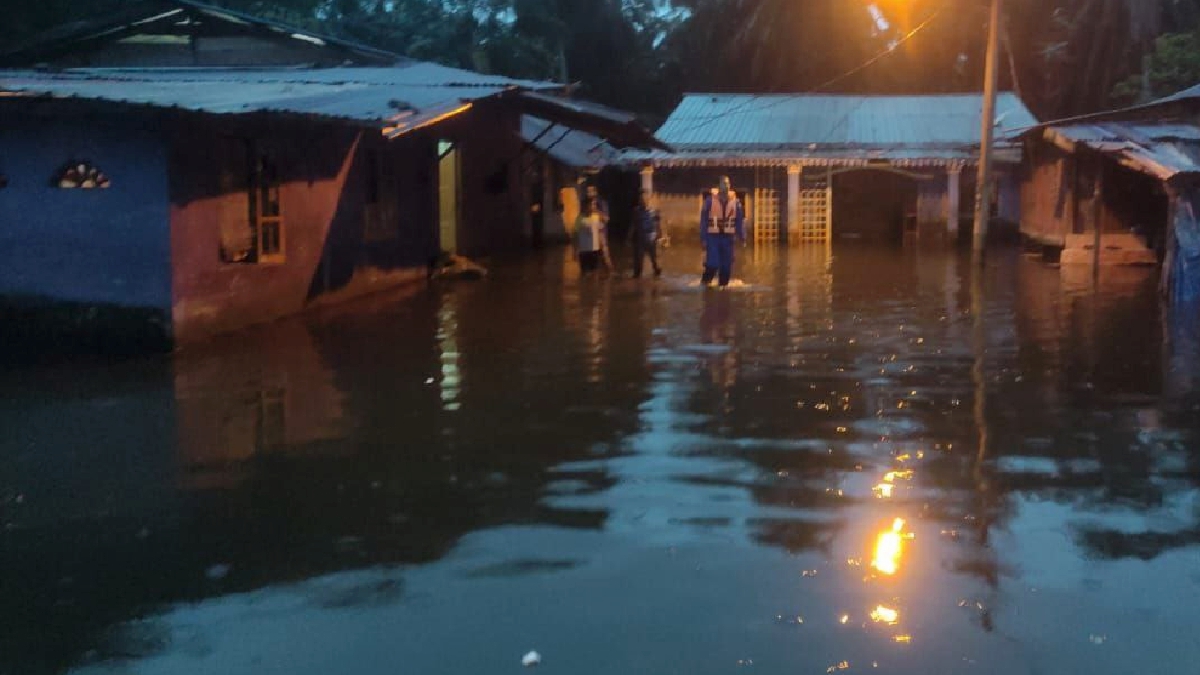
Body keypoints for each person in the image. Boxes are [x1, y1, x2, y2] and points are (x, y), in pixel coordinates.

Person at [700, 176, 746, 288]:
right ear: (718, 186)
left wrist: (742, 237)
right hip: (713, 237)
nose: (725, 185)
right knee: (713, 263)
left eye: (727, 183)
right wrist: (703, 239)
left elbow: (739, 221)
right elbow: (704, 221)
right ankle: (705, 283)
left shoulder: (736, 203)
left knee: (726, 266)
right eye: (723, 183)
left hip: (728, 238)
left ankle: (723, 288)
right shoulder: (710, 201)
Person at [631, 190, 663, 278]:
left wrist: (660, 236)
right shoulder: (636, 211)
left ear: (648, 200)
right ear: (639, 200)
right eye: (641, 199)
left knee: (654, 260)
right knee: (638, 261)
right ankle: (637, 279)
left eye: (644, 199)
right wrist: (629, 237)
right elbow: (633, 224)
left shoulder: (654, 211)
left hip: (651, 238)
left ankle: (657, 273)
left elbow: (658, 224)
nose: (643, 201)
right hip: (639, 238)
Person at [575, 198, 610, 275]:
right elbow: (575, 234)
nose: (594, 206)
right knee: (584, 274)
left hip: (594, 249)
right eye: (592, 204)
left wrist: (598, 212)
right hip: (584, 250)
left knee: (594, 273)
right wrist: (575, 250)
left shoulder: (596, 216)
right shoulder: (580, 218)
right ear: (586, 206)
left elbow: (606, 220)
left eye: (595, 204)